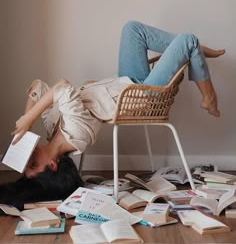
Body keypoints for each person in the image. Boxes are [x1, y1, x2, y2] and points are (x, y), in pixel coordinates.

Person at [11, 21, 225, 178]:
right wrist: (30, 118)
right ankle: (208, 96)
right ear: (52, 165)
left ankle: (193, 50)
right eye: (32, 166)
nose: (28, 161)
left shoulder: (50, 127)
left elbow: (37, 88)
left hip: (126, 82)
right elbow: (62, 88)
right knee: (187, 39)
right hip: (142, 97)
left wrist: (26, 124)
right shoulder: (76, 135)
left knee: (132, 30)